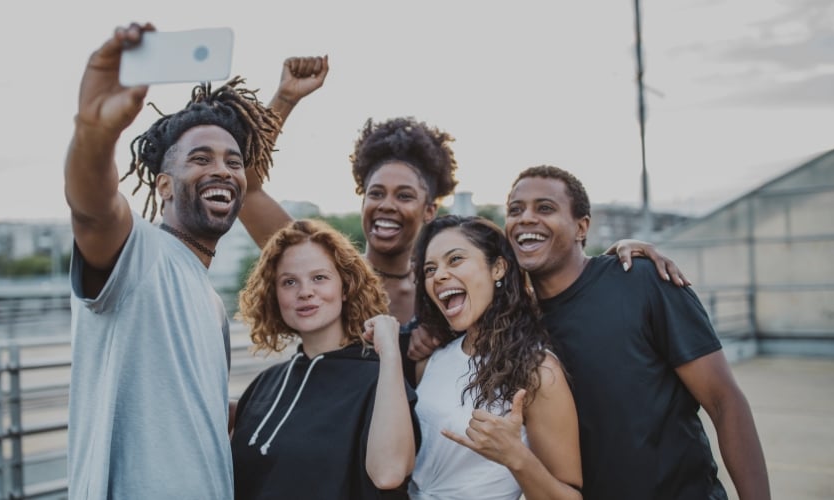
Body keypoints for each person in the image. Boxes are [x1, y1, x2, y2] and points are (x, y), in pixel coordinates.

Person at [243, 56, 690, 369]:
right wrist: (285, 99)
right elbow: (246, 187)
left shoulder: (462, 283)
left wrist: (619, 253)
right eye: (375, 193)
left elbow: (553, 268)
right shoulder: (329, 277)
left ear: (429, 207)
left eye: (404, 195)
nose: (386, 206)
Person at [64, 23, 280, 498]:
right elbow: (93, 209)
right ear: (164, 185)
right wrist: (94, 134)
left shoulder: (206, 296)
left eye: (233, 162)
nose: (221, 169)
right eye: (200, 158)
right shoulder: (138, 254)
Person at [504, 165, 770, 499]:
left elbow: (724, 401)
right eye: (515, 210)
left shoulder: (641, 280)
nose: (525, 218)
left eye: (545, 208)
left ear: (581, 227)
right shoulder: (516, 324)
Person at [231, 219, 418, 499]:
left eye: (319, 278)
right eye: (289, 281)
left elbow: (390, 473)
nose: (305, 291)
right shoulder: (264, 384)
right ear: (274, 294)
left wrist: (390, 351)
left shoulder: (379, 380)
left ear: (345, 287)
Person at [408, 215, 583, 499]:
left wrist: (516, 457)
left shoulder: (538, 371)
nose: (438, 275)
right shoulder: (431, 360)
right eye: (430, 269)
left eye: (454, 260)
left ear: (498, 268)